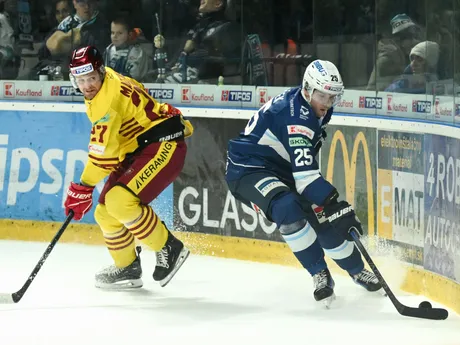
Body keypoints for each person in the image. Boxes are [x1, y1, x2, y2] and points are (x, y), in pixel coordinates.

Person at [225, 59, 382, 306]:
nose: (328, 103)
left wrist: (330, 208)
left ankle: (356, 269)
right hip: (249, 169)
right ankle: (319, 272)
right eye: (323, 96)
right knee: (287, 207)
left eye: (333, 97)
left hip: (283, 169)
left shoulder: (315, 106)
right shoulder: (296, 118)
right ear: (307, 89)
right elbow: (307, 178)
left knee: (323, 220)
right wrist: (334, 202)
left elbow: (304, 170)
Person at [63, 46, 193, 289]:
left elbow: (105, 158)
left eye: (91, 78)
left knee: (118, 201)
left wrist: (82, 187)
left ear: (100, 72)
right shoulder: (109, 78)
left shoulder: (105, 102)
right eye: (81, 80)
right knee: (105, 212)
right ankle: (128, 266)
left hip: (163, 145)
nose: (88, 85)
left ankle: (168, 247)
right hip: (142, 147)